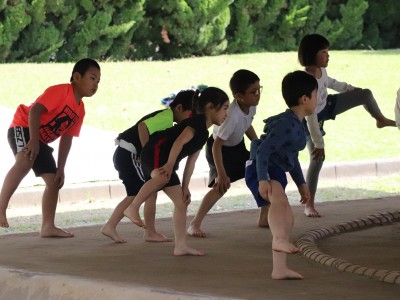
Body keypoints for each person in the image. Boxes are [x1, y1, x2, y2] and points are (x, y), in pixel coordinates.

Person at [0, 58, 101, 237]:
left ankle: (48, 227)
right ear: (77, 77)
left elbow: (67, 138)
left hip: (40, 140)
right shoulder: (61, 91)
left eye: (98, 81)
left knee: (54, 181)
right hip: (23, 127)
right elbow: (35, 111)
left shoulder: (80, 110)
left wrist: (61, 167)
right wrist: (33, 140)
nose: (96, 84)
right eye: (93, 78)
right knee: (25, 161)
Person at [298, 33, 396, 217]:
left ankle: (380, 119)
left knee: (365, 94)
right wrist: (319, 143)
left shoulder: (320, 71)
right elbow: (310, 115)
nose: (328, 55)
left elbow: (331, 82)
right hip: (311, 117)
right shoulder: (307, 80)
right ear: (312, 54)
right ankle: (309, 204)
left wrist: (351, 89)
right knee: (317, 159)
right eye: (324, 52)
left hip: (326, 105)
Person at [124, 87, 229, 256]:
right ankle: (133, 206)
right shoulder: (197, 122)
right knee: (162, 177)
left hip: (167, 159)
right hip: (156, 150)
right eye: (225, 108)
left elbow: (192, 161)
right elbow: (179, 142)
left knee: (181, 201)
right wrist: (170, 164)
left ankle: (180, 246)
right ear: (211, 107)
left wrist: (185, 186)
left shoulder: (204, 133)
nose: (227, 113)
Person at [245, 70, 317, 279]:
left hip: (274, 169)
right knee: (279, 201)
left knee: (287, 215)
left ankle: (280, 269)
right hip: (262, 167)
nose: (318, 99)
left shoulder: (297, 123)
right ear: (304, 99)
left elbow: (290, 157)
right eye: (316, 94)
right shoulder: (288, 123)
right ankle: (278, 240)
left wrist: (301, 183)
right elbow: (263, 150)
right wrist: (262, 179)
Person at [101, 90, 194, 243]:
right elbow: (143, 127)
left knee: (147, 191)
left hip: (126, 153)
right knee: (141, 193)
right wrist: (146, 154)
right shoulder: (167, 117)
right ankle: (123, 227)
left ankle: (139, 230)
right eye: (190, 114)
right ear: (179, 108)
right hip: (129, 154)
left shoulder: (168, 119)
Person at [187, 69, 266, 238]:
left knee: (261, 172)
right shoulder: (232, 115)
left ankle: (265, 217)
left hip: (237, 146)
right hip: (219, 150)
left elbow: (247, 125)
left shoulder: (250, 107)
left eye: (260, 89)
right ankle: (194, 224)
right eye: (254, 92)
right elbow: (216, 145)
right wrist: (222, 174)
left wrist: (257, 144)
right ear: (239, 96)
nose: (258, 94)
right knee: (221, 186)